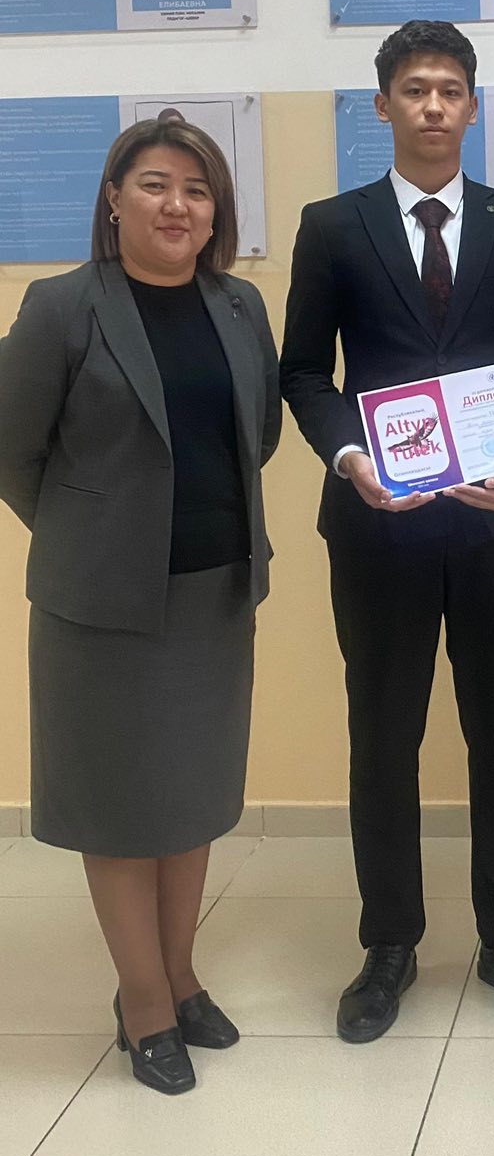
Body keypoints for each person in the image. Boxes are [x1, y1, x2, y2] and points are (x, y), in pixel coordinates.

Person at [280, 19, 494, 1040]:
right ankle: (389, 943)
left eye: (451, 89)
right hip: (379, 524)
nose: (434, 105)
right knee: (383, 736)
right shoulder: (333, 224)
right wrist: (348, 457)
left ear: (473, 105)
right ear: (384, 106)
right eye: (415, 89)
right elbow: (303, 373)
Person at [0, 119, 281, 1095]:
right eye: (155, 184)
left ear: (216, 213)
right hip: (102, 605)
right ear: (114, 199)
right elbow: (13, 450)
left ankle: (181, 973)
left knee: (190, 800)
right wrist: (93, 531)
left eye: (197, 190)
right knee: (121, 811)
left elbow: (259, 432)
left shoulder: (239, 305)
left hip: (215, 593)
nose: (177, 205)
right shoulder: (61, 306)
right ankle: (144, 1000)